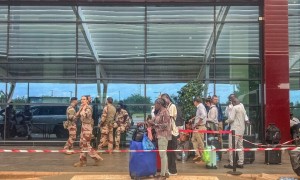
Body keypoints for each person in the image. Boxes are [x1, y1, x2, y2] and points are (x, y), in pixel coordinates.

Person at [73, 95, 103, 167]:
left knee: (86, 145)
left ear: (87, 100)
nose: (82, 100)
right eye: (81, 99)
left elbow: (84, 115)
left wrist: (82, 109)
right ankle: (82, 161)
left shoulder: (89, 108)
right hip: (83, 127)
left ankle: (96, 157)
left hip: (87, 127)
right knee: (82, 145)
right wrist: (80, 109)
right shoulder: (82, 107)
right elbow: (76, 116)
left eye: (84, 99)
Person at [147, 98, 172, 180]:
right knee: (163, 154)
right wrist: (146, 122)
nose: (155, 106)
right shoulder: (159, 112)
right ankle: (166, 172)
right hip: (160, 135)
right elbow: (153, 121)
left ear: (159, 104)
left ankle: (163, 175)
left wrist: (154, 124)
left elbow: (165, 125)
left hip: (163, 135)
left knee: (162, 155)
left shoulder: (165, 112)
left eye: (155, 104)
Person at [224, 97, 246, 169]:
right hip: (242, 129)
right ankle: (240, 162)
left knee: (232, 146)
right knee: (240, 146)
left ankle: (232, 163)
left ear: (233, 102)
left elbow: (231, 119)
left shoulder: (235, 108)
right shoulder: (242, 107)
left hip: (235, 130)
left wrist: (226, 121)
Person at [161, 93, 178, 176]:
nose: (163, 101)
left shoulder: (172, 106)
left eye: (163, 99)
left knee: (171, 152)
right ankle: (168, 169)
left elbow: (168, 118)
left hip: (172, 132)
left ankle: (173, 170)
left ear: (168, 98)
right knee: (168, 152)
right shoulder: (167, 107)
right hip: (168, 133)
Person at [190, 97, 207, 163]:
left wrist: (197, 124)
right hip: (198, 127)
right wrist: (193, 118)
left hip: (199, 127)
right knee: (193, 140)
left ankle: (203, 158)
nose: (194, 104)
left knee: (200, 143)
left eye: (194, 102)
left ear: (196, 102)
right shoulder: (201, 107)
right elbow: (199, 115)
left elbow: (203, 115)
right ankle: (198, 155)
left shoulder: (200, 106)